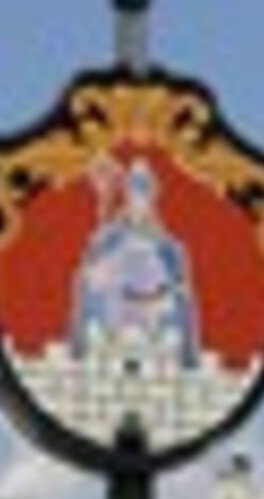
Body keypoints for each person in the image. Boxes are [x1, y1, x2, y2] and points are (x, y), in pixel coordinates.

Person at [70, 155, 200, 363]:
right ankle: (81, 349)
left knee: (179, 298)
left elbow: (177, 276)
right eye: (135, 193)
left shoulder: (167, 243)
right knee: (87, 281)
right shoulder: (113, 233)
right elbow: (95, 262)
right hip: (116, 301)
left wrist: (171, 287)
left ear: (151, 197)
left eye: (144, 193)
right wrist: (97, 260)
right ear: (128, 195)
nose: (139, 200)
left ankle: (186, 356)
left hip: (154, 303)